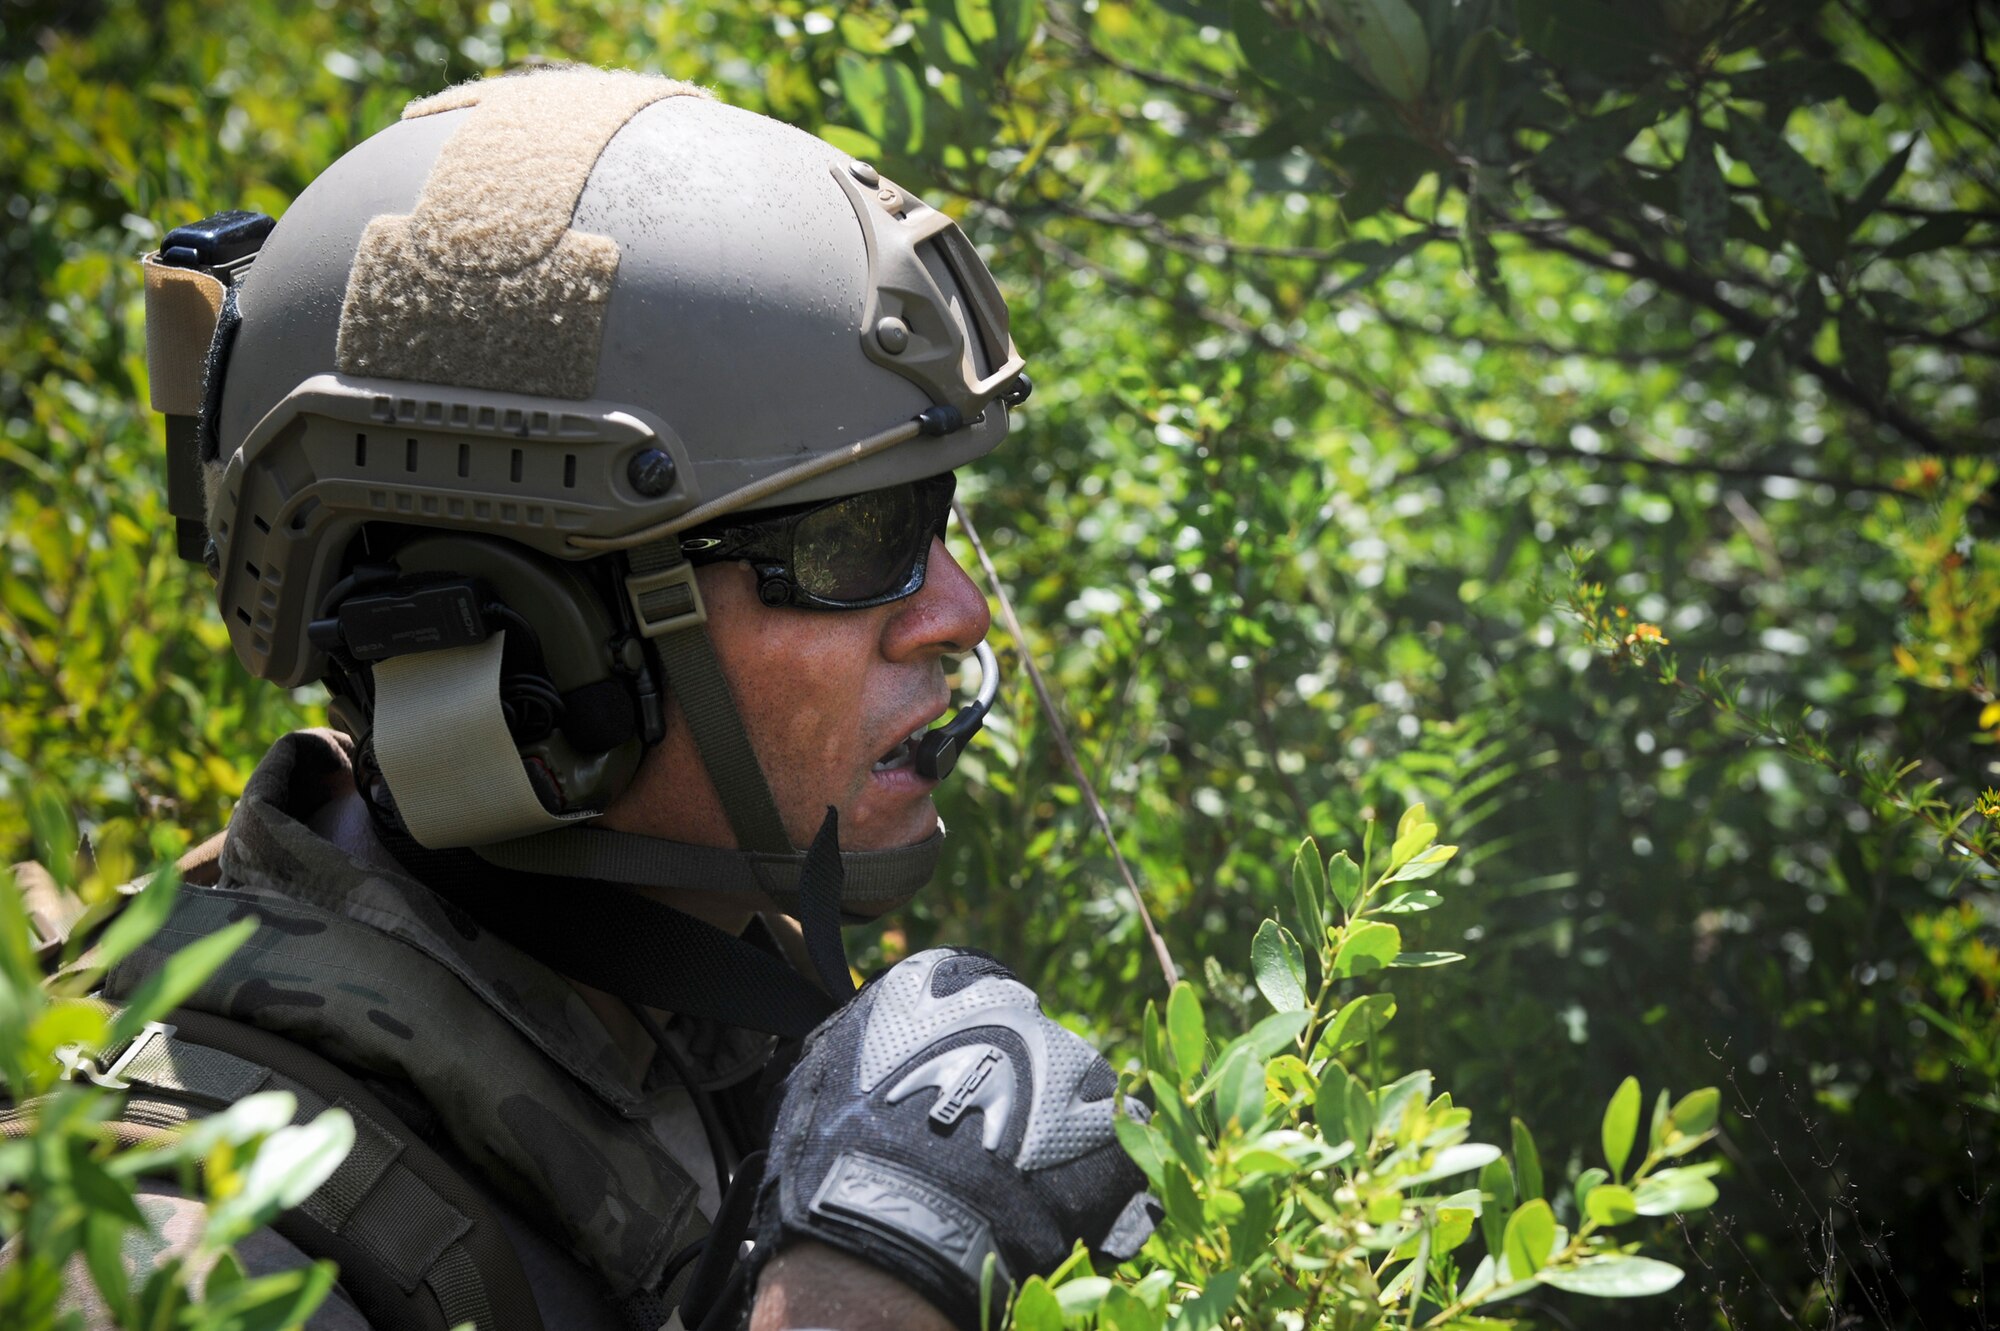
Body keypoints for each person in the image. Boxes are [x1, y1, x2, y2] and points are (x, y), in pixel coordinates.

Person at [73, 62, 1155, 1331]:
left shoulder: (685, 980)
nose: (957, 613)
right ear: (546, 647)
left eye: (940, 520)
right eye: (856, 542)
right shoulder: (171, 1258)